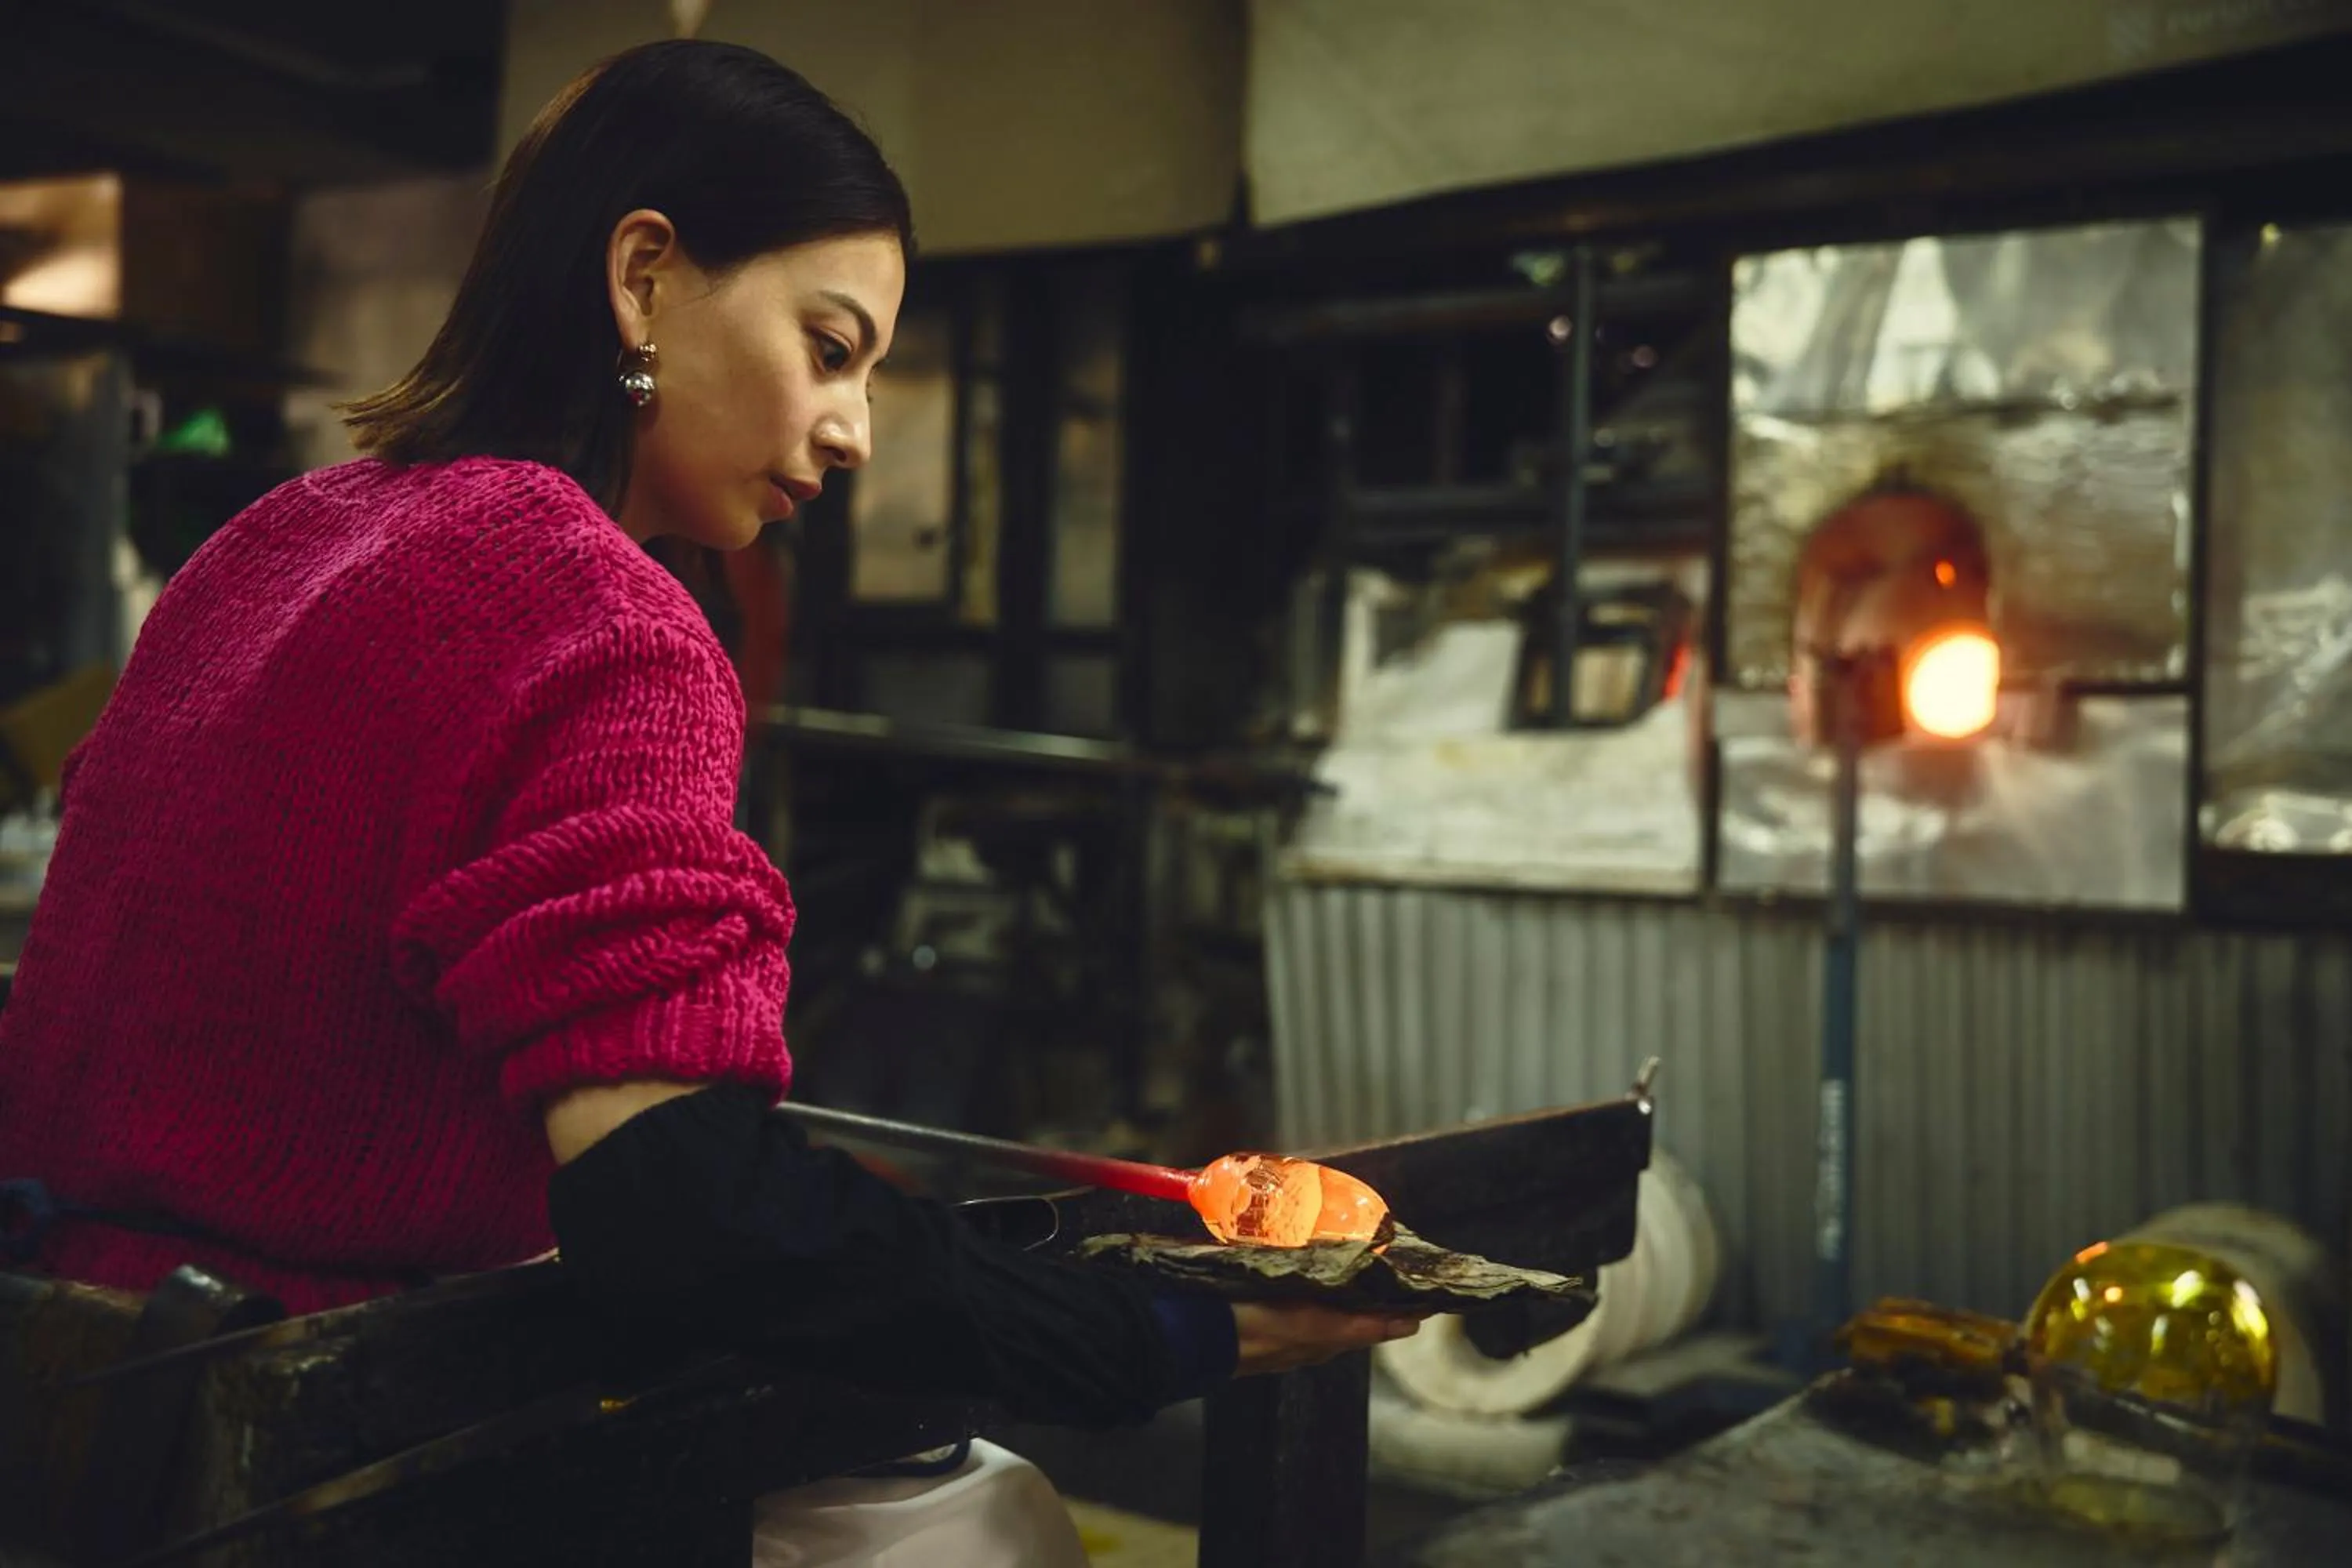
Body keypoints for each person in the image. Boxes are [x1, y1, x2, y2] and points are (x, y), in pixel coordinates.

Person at [0, 38, 1419, 1562]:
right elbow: (675, 1206)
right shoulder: (605, 612)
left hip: (61, 1403)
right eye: (830, 346)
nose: (856, 430)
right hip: (310, 1475)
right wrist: (1146, 1328)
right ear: (645, 279)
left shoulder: (276, 538)